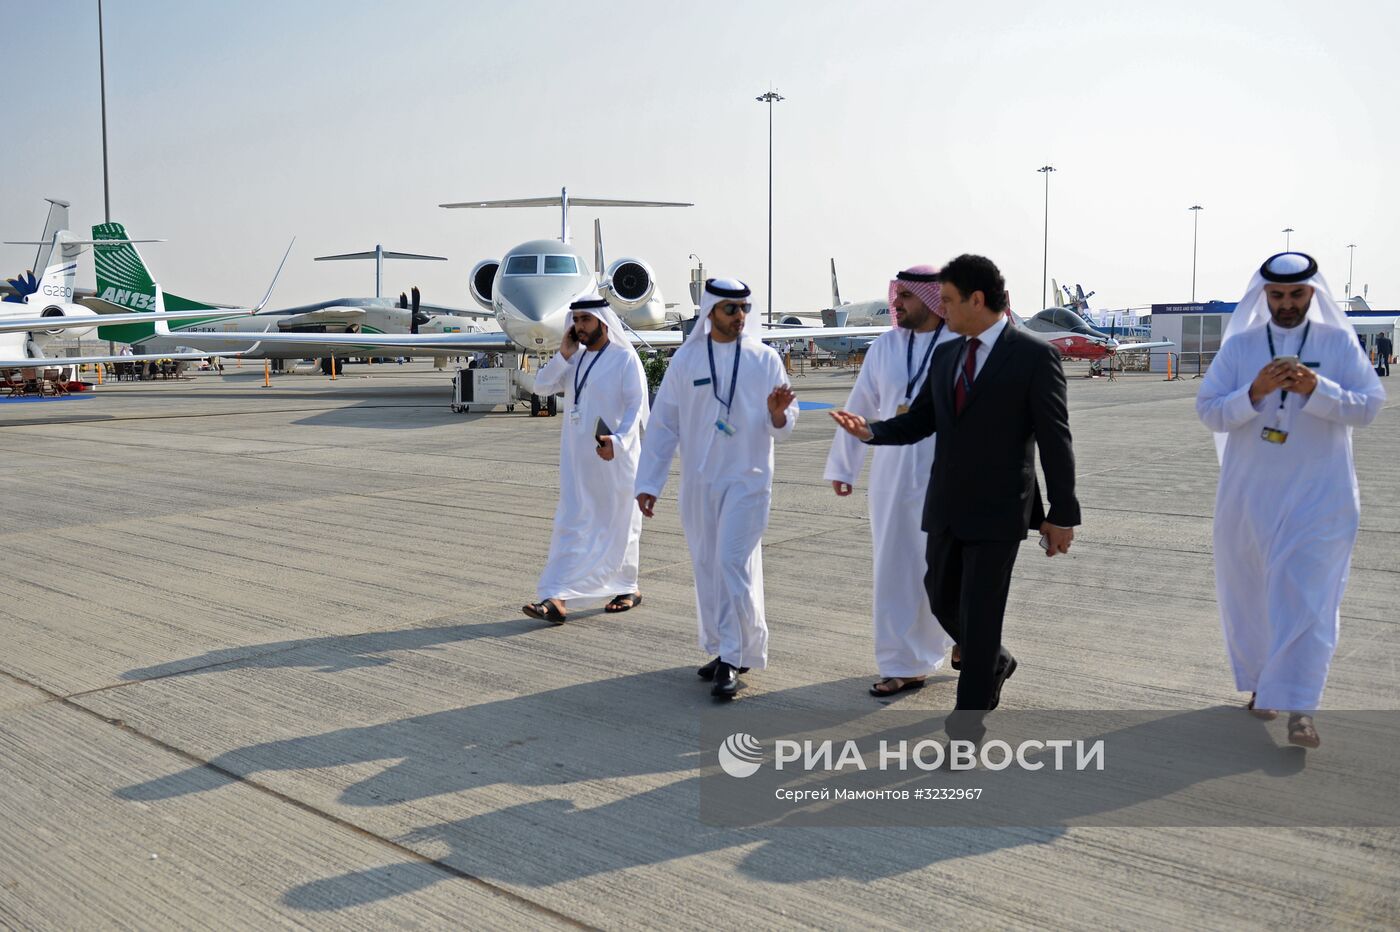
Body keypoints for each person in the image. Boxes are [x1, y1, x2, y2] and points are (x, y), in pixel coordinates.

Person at [831, 254, 1079, 730]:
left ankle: (966, 725)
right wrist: (871, 434)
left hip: (999, 509)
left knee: (980, 615)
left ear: (976, 300)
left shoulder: (1032, 355)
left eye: (947, 300)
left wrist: (1062, 514)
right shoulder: (947, 355)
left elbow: (1055, 438)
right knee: (940, 596)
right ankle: (994, 659)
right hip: (944, 504)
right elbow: (921, 420)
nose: (942, 309)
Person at [1196, 252, 1384, 748]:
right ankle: (1264, 687)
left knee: (1307, 599)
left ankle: (1302, 707)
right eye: (1277, 296)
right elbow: (1209, 411)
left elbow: (1369, 407)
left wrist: (1318, 388)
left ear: (1313, 294)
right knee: (1253, 596)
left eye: (1296, 295)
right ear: (1264, 295)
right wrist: (1253, 392)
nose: (1286, 304)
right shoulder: (1240, 347)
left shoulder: (1337, 342)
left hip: (1320, 497)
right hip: (1250, 497)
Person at [635, 278, 798, 699]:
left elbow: (785, 426)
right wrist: (649, 483)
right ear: (710, 312)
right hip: (699, 483)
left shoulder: (765, 360)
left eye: (743, 308)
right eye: (730, 309)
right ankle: (727, 646)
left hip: (748, 481)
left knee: (731, 563)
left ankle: (732, 655)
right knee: (708, 566)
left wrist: (779, 415)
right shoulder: (686, 362)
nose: (739, 316)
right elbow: (664, 425)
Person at [825, 266, 960, 696]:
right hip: (892, 477)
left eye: (906, 296)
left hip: (949, 474)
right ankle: (902, 663)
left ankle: (962, 638)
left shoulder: (961, 346)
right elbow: (859, 406)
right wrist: (844, 467)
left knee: (948, 569)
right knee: (895, 570)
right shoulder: (885, 346)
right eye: (896, 295)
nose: (896, 304)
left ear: (933, 299)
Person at [522, 296, 650, 624]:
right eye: (575, 320)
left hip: (615, 460)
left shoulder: (624, 359)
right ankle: (556, 597)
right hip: (578, 463)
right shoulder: (574, 360)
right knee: (572, 524)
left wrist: (618, 443)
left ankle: (627, 586)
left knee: (620, 525)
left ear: (603, 322)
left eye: (585, 320)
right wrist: (563, 354)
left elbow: (636, 407)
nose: (579, 326)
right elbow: (541, 387)